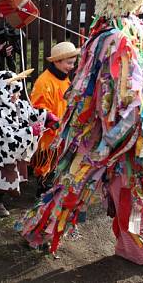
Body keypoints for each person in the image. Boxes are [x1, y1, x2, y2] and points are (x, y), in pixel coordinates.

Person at [15, 0, 143, 267]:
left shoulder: (108, 33)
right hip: (115, 133)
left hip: (103, 130)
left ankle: (44, 232)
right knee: (94, 185)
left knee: (91, 184)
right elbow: (126, 94)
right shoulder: (117, 39)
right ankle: (42, 231)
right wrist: (137, 124)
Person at [0, 70, 54, 217]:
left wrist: (46, 116)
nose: (18, 95)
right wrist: (31, 131)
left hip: (13, 152)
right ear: (4, 92)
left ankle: (7, 192)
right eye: (14, 92)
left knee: (12, 174)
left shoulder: (18, 104)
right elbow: (8, 137)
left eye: (18, 91)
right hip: (1, 153)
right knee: (2, 178)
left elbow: (31, 113)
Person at [30, 41, 80, 196]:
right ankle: (42, 189)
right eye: (69, 63)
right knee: (45, 162)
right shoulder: (44, 82)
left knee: (57, 161)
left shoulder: (63, 78)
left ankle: (50, 184)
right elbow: (38, 108)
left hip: (62, 129)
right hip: (50, 132)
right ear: (57, 61)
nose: (72, 66)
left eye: (73, 63)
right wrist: (54, 122)